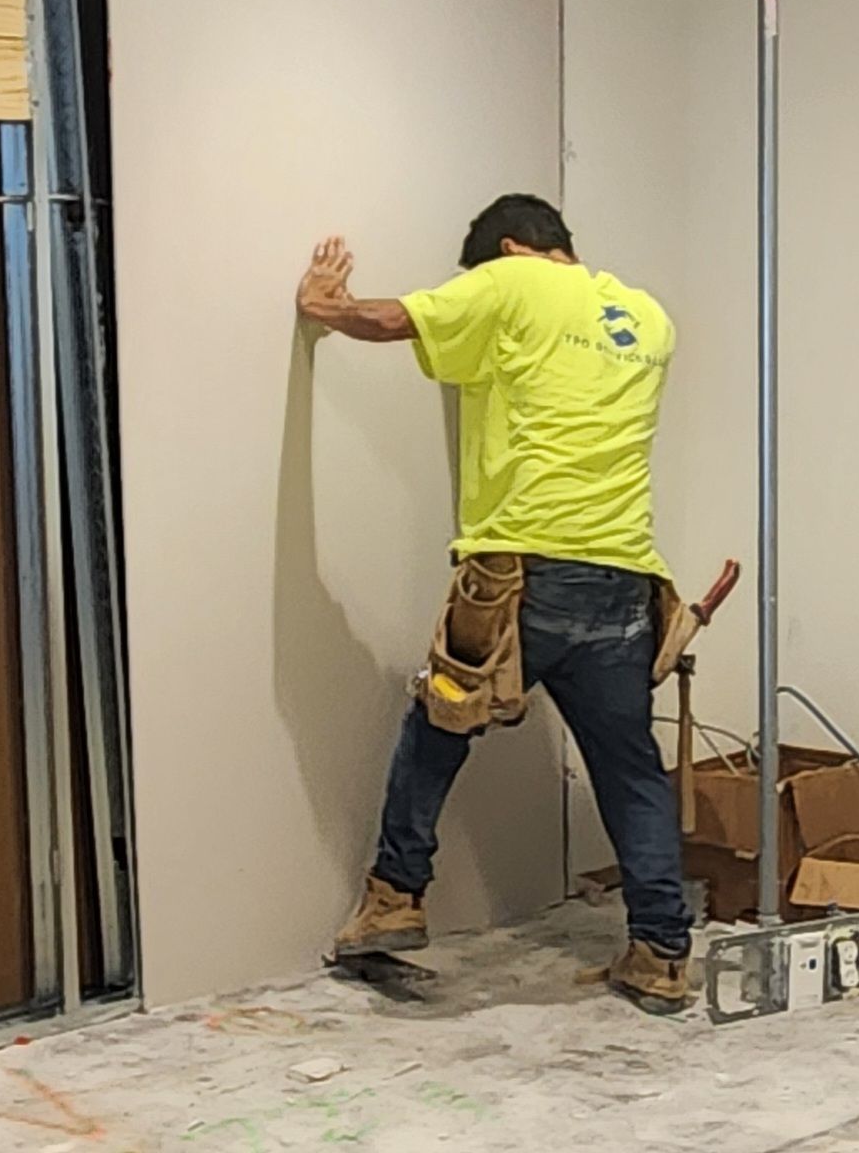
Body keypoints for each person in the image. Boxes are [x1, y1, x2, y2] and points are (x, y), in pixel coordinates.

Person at [294, 193, 692, 1014]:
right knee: (630, 770)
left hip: (518, 574)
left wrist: (326, 307)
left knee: (437, 728)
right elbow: (512, 368)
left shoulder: (511, 281)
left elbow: (395, 320)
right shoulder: (647, 317)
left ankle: (393, 901)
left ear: (509, 249)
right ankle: (659, 953)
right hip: (623, 579)